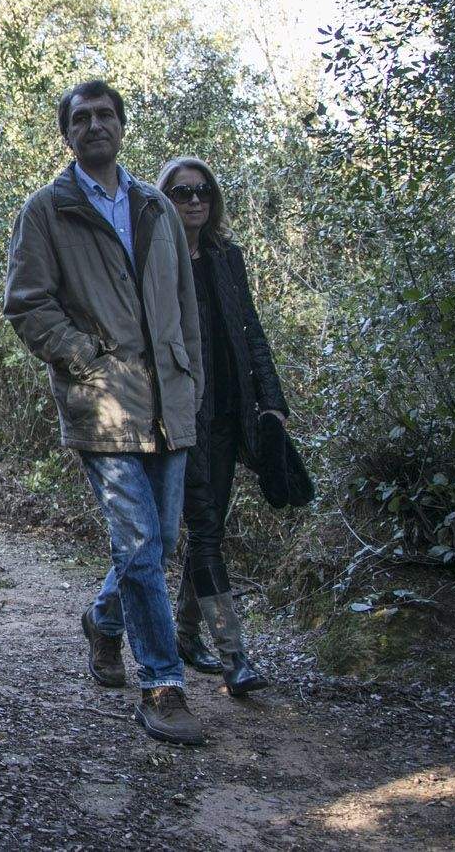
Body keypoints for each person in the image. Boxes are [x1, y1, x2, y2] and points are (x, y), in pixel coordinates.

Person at [3, 79, 206, 746]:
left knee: (161, 536)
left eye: (105, 115)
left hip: (169, 401)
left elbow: (184, 307)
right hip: (103, 404)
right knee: (140, 543)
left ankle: (104, 620)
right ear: (67, 133)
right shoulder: (47, 209)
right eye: (81, 117)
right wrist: (83, 356)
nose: (95, 125)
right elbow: (28, 304)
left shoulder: (156, 205)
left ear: (123, 125)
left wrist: (192, 381)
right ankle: (162, 683)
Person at [158, 156, 288, 697]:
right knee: (205, 531)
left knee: (209, 531)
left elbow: (250, 327)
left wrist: (273, 401)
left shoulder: (227, 257)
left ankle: (186, 633)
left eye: (203, 192)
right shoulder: (156, 259)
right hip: (183, 416)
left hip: (232, 414)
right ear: (166, 199)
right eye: (183, 192)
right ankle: (234, 655)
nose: (194, 200)